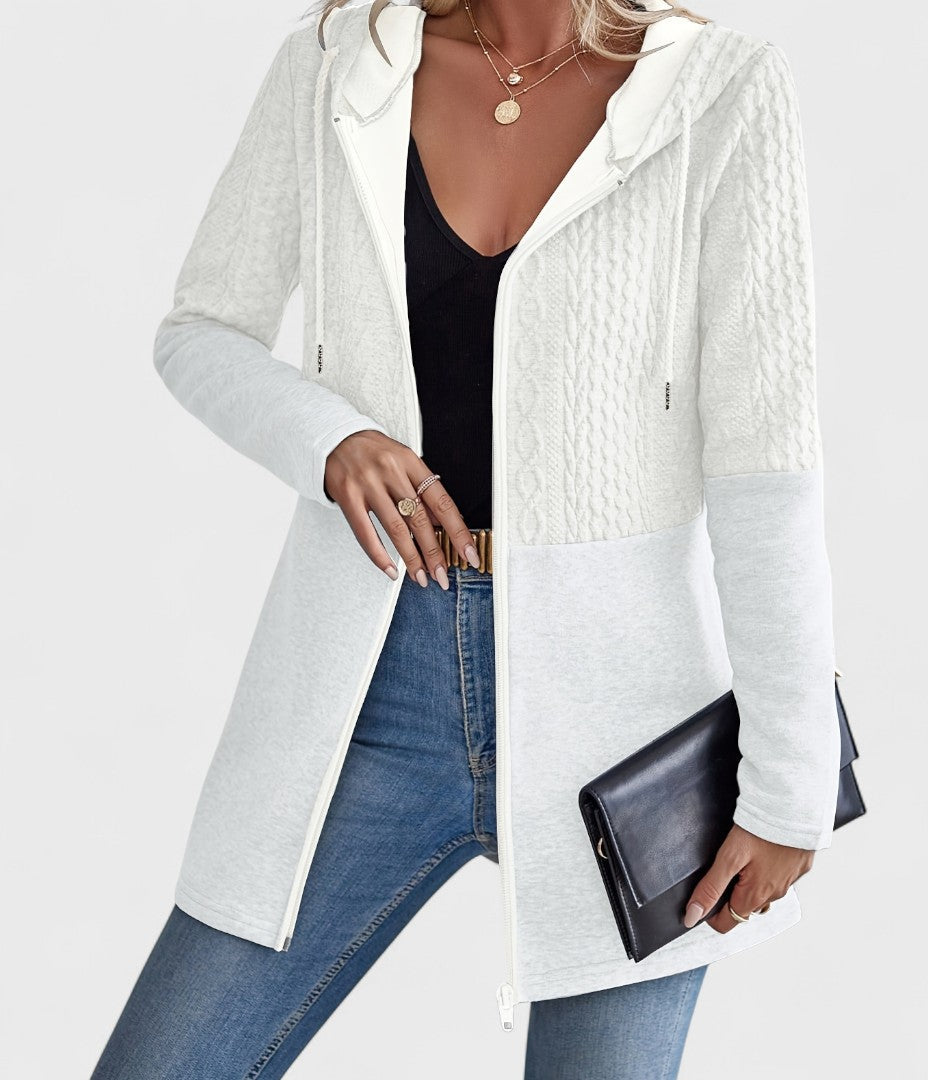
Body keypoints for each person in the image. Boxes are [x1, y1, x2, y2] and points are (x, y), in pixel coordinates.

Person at [91, 0, 840, 1076]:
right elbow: (201, 329)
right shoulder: (335, 69)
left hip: (626, 728)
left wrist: (789, 787)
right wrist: (329, 437)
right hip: (368, 688)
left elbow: (768, 469)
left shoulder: (719, 91)